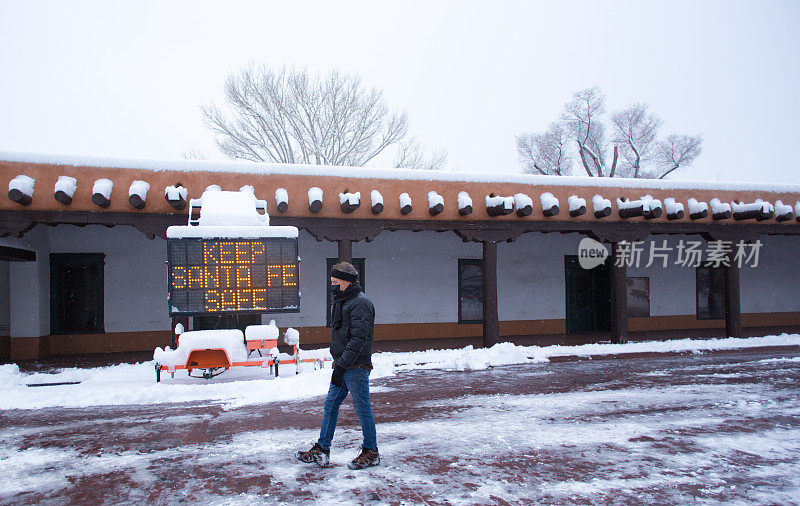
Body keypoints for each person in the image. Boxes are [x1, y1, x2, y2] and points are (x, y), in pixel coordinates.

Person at [296, 261, 379, 469]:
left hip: (356, 367)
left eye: (335, 282)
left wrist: (343, 364)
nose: (332, 285)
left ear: (347, 282)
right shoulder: (344, 300)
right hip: (343, 365)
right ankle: (322, 450)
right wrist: (340, 365)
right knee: (330, 405)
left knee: (362, 409)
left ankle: (371, 451)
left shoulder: (360, 303)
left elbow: (359, 339)